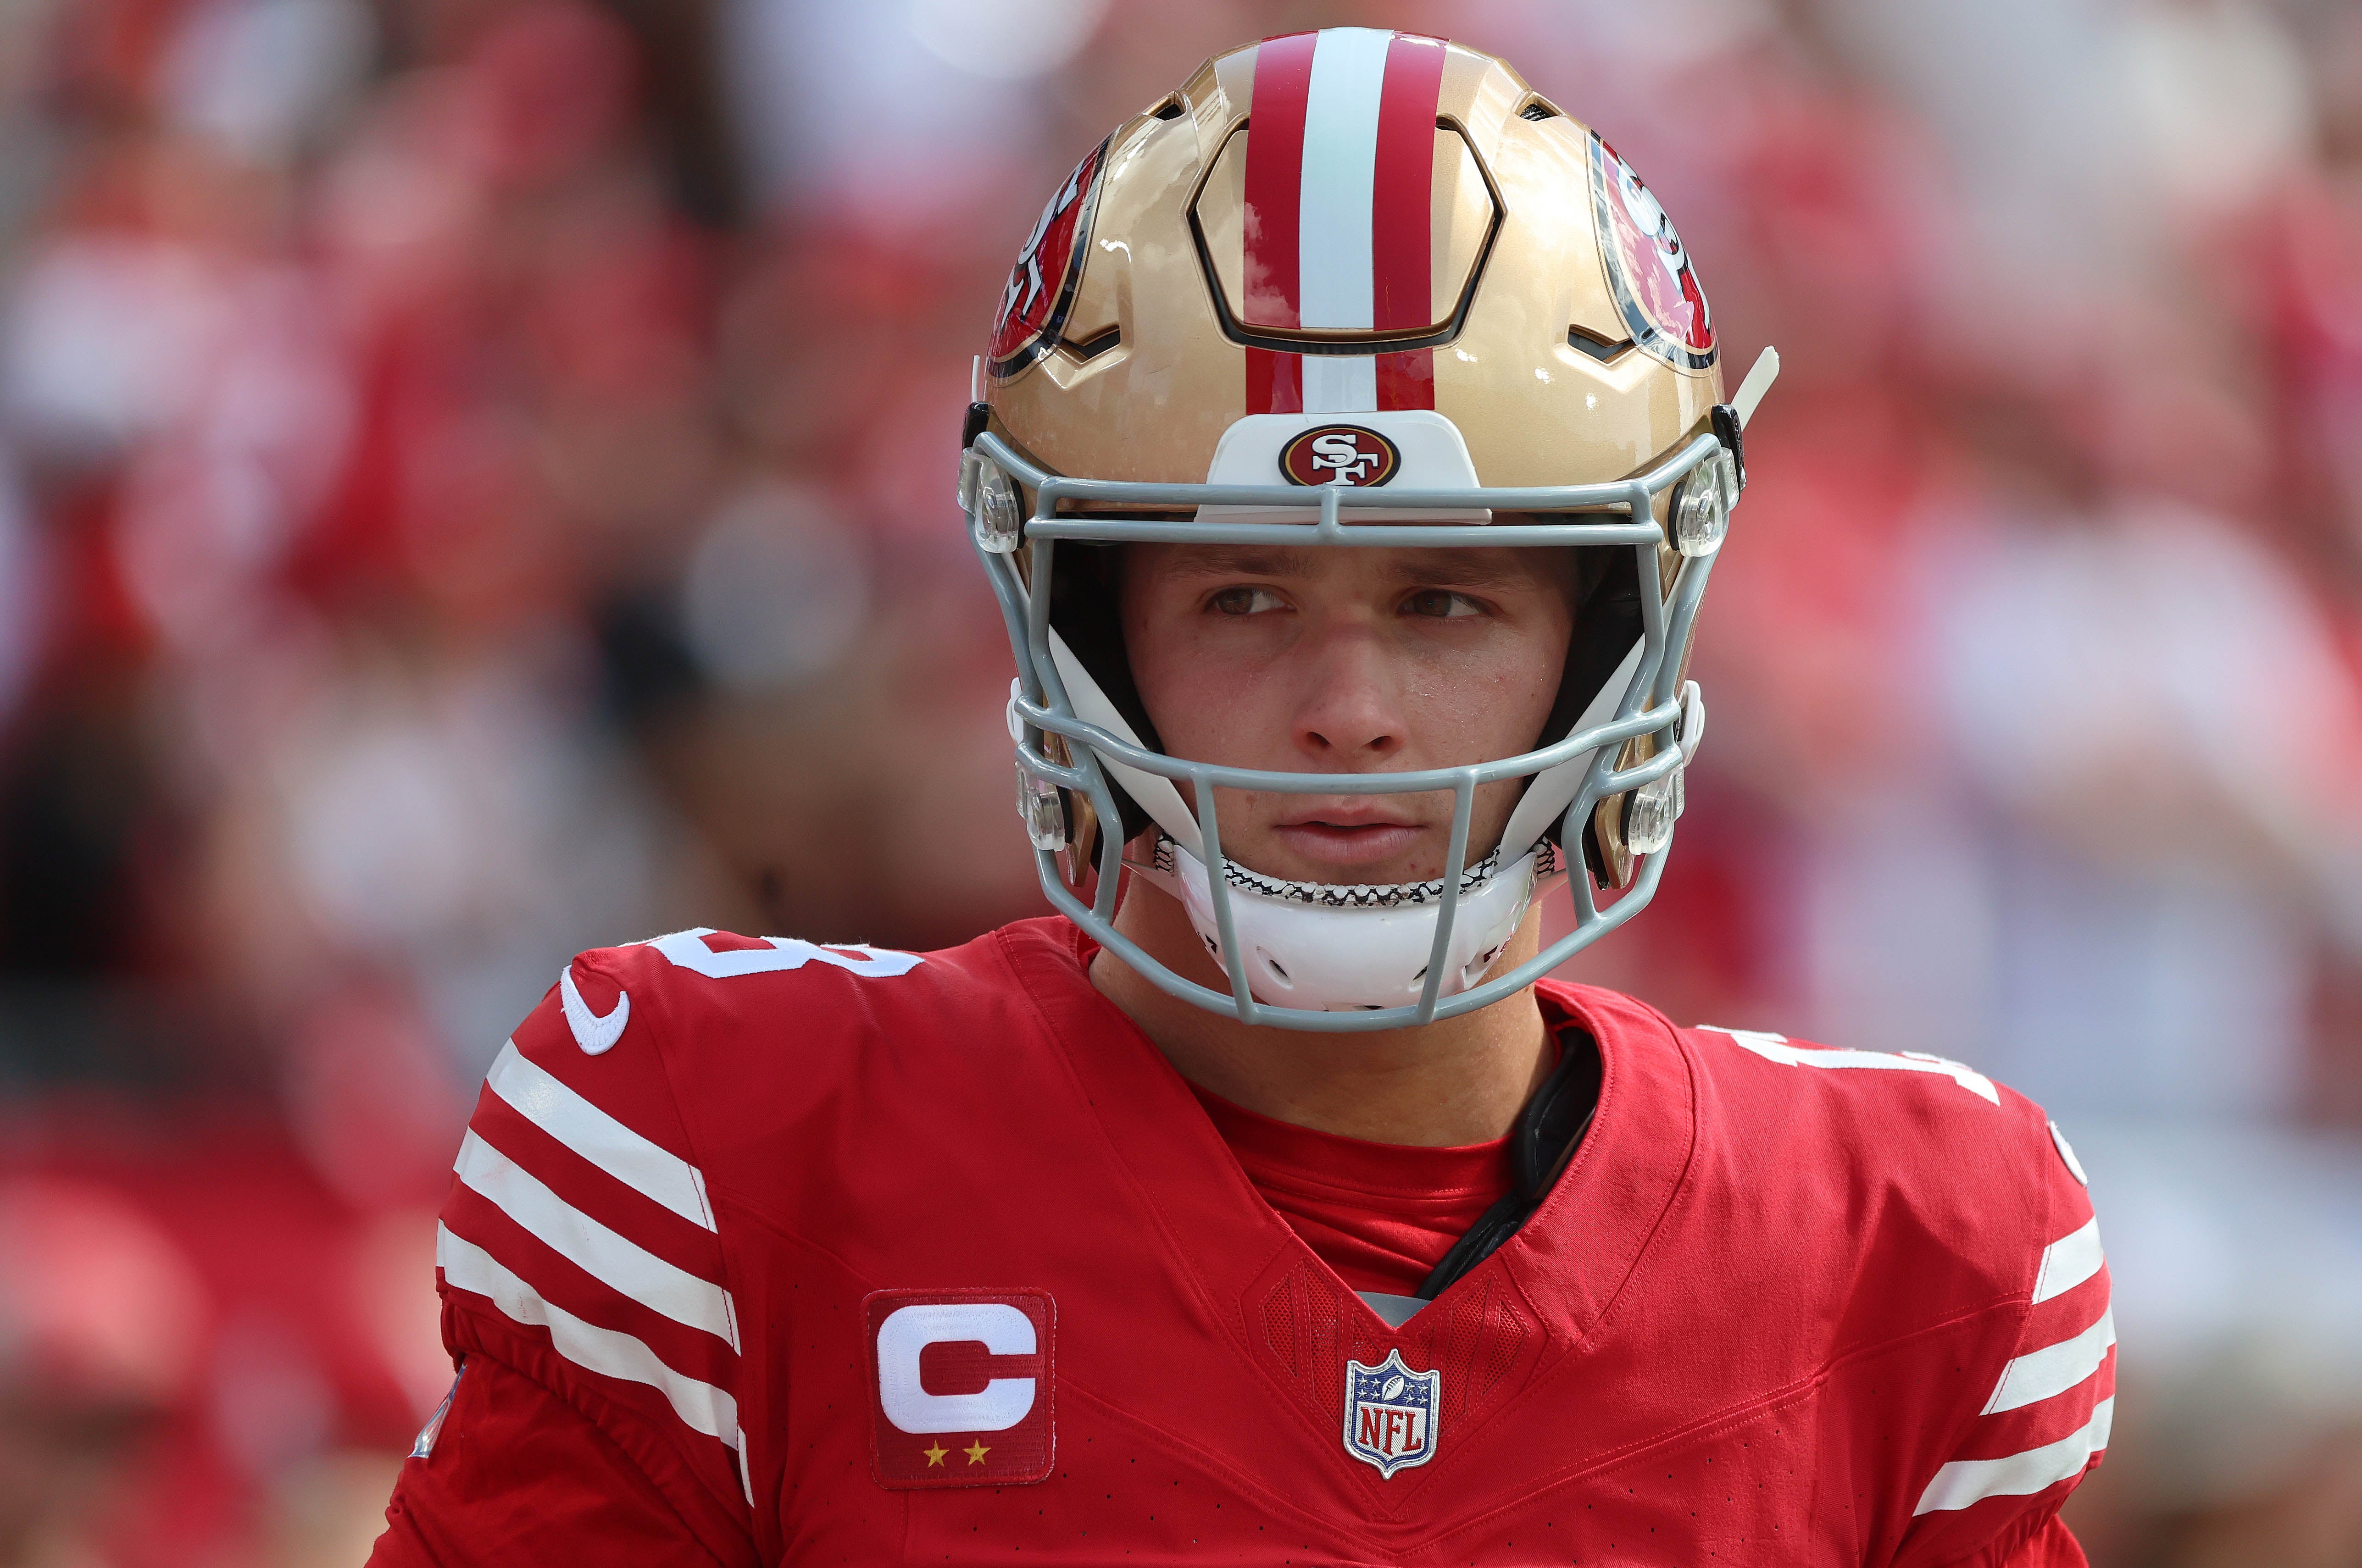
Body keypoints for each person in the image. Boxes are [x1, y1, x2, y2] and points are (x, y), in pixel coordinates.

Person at [367, 29, 2108, 1566]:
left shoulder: (1900, 1253)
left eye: (1445, 600)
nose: (1345, 713)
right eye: (1242, 596)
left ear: (1609, 640)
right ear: (1089, 632)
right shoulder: (720, 1151)